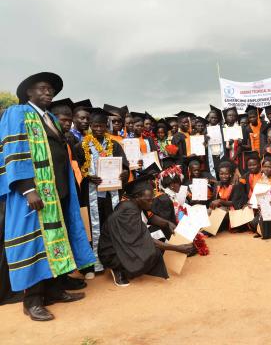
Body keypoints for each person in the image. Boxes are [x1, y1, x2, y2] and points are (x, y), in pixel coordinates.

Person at [0, 72, 95, 321]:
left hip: (58, 190)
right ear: (28, 92)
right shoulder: (17, 113)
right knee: (36, 244)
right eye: (42, 88)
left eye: (51, 89)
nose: (48, 92)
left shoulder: (50, 117)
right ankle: (31, 301)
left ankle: (54, 290)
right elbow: (14, 151)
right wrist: (27, 189)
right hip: (34, 192)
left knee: (57, 240)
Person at [98, 174, 194, 287]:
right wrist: (177, 248)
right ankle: (118, 269)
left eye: (153, 199)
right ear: (137, 197)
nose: (152, 203)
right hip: (112, 251)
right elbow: (145, 239)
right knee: (152, 251)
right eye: (149, 200)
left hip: (124, 243)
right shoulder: (127, 211)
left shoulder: (137, 203)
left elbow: (151, 217)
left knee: (160, 234)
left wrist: (167, 223)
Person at [75, 108, 130, 274]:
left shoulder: (115, 145)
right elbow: (78, 169)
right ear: (90, 126)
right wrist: (87, 177)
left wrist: (124, 172)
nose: (98, 129)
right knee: (93, 228)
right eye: (95, 126)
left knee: (111, 224)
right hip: (91, 194)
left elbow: (125, 166)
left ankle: (113, 259)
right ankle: (95, 263)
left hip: (111, 193)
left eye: (102, 126)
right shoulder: (80, 146)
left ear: (107, 126)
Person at [210, 161, 247, 232]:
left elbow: (234, 203)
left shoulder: (236, 185)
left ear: (230, 174)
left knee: (221, 210)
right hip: (221, 208)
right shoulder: (217, 184)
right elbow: (214, 200)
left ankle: (209, 231)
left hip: (233, 210)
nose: (223, 176)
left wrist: (220, 201)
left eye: (226, 174)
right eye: (221, 174)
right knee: (208, 211)